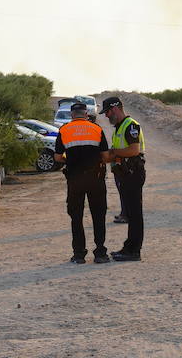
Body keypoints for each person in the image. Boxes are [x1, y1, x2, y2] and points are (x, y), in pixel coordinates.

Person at [55, 101, 111, 264]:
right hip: (96, 179)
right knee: (98, 216)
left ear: (72, 115)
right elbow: (106, 156)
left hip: (75, 179)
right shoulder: (96, 129)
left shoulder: (64, 130)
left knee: (76, 217)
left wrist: (70, 160)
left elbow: (58, 157)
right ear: (86, 114)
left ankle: (79, 254)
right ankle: (100, 253)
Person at [102, 96, 145, 262]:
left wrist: (113, 153)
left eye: (107, 112)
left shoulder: (131, 125)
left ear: (115, 109)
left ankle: (134, 251)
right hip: (124, 174)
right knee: (129, 213)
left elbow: (134, 150)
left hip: (133, 173)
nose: (106, 116)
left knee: (134, 214)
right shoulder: (120, 127)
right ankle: (128, 246)